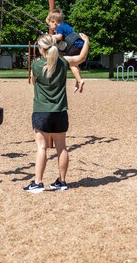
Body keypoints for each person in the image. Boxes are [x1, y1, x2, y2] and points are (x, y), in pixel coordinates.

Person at [24, 32, 90, 193]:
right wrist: (86, 41)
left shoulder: (36, 65)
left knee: (41, 147)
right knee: (62, 147)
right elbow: (81, 58)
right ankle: (62, 181)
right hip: (60, 110)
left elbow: (32, 81)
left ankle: (38, 183)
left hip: (42, 110)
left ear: (41, 49)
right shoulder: (63, 62)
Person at [46, 8, 86, 93]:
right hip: (79, 44)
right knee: (75, 63)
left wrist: (50, 37)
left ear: (54, 22)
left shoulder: (60, 27)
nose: (51, 28)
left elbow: (59, 36)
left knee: (71, 64)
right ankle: (78, 81)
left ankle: (79, 81)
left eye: (49, 25)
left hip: (74, 45)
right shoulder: (65, 25)